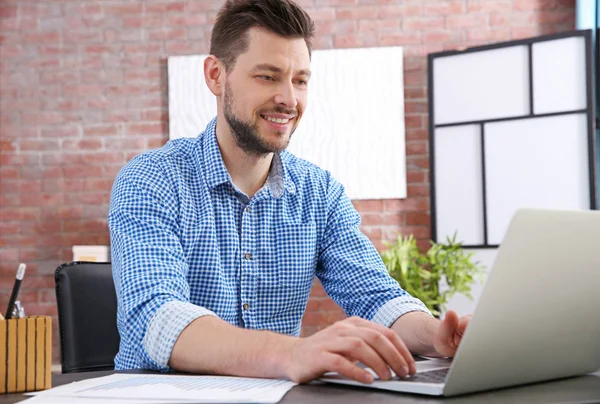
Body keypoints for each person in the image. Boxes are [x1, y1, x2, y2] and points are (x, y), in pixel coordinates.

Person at [108, 0, 471, 384]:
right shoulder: (150, 179)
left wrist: (437, 336)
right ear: (216, 75)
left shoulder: (321, 192)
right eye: (267, 76)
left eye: (300, 80)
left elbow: (378, 298)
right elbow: (159, 318)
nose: (290, 99)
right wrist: (292, 353)